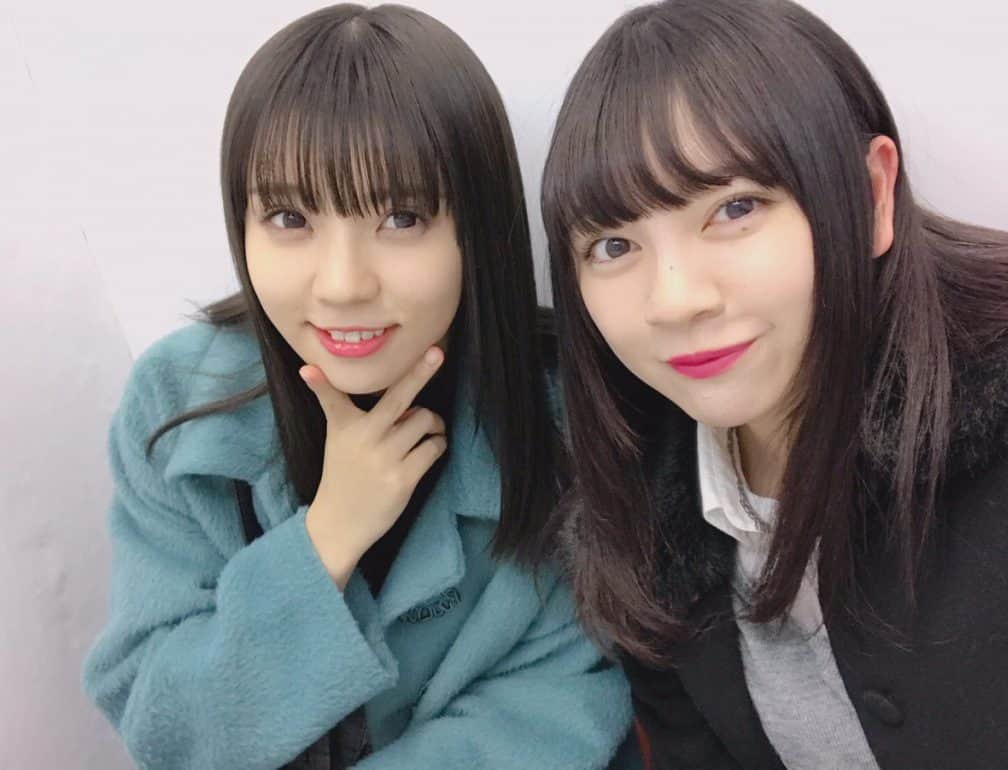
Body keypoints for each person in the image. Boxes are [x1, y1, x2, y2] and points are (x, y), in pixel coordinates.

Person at [82, 5, 633, 769]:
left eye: (401, 218)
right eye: (289, 217)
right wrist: (327, 538)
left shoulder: (566, 417)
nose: (342, 285)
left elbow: (556, 709)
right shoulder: (178, 406)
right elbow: (166, 725)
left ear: (475, 227)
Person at [540, 1, 1008, 768]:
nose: (675, 300)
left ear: (871, 194)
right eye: (613, 245)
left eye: (734, 209)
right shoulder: (638, 517)